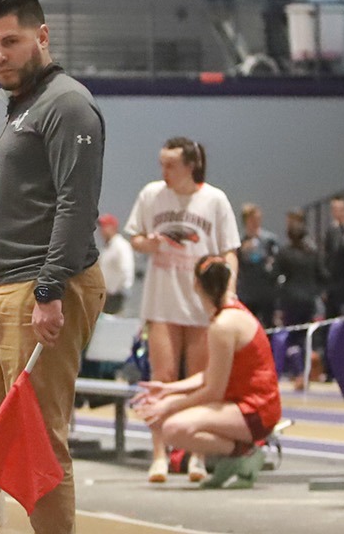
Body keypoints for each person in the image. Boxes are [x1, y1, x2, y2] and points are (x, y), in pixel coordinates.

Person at [0, 0, 107, 534]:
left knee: (36, 441)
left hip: (39, 287)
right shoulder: (20, 108)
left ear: (42, 36)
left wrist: (49, 289)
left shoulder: (67, 104)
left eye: (10, 42)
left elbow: (76, 204)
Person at [124, 136, 239, 483]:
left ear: (191, 166)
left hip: (201, 303)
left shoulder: (214, 199)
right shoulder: (151, 194)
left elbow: (229, 250)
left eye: (171, 165)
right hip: (162, 299)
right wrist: (149, 244)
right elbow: (135, 238)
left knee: (199, 379)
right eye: (162, 164)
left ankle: (196, 455)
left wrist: (228, 292)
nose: (164, 171)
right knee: (163, 376)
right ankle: (159, 454)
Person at [134, 257, 281, 489]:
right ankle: (238, 455)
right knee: (168, 419)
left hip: (256, 410)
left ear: (195, 284)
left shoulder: (223, 326)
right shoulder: (228, 315)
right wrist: (168, 389)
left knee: (172, 428)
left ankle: (244, 453)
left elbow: (214, 391)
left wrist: (170, 405)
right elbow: (211, 374)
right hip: (247, 404)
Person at [275, 212, 323, 388]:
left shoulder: (284, 253)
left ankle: (299, 372)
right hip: (309, 300)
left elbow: (275, 275)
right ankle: (305, 371)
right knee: (305, 338)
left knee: (293, 338)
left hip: (291, 300)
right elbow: (322, 275)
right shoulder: (312, 252)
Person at [234, 203, 280, 324]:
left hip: (266, 290)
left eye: (257, 219)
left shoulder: (269, 240)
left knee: (268, 325)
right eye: (252, 219)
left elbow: (277, 261)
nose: (255, 222)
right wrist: (241, 251)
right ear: (245, 221)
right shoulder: (239, 242)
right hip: (247, 291)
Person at [98, 214, 135, 316]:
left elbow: (126, 269)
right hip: (104, 295)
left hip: (115, 296)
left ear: (113, 227)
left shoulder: (121, 245)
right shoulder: (106, 247)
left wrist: (120, 290)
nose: (101, 230)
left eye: (105, 226)